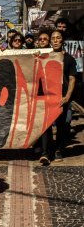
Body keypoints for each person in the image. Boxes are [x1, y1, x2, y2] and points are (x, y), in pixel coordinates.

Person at [39, 29, 77, 164]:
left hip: (62, 98)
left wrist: (67, 97)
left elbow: (72, 79)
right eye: (53, 38)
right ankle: (45, 153)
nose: (55, 40)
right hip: (48, 97)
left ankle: (58, 150)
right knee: (46, 125)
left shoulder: (69, 59)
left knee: (61, 125)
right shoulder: (45, 57)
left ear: (62, 40)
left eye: (58, 38)